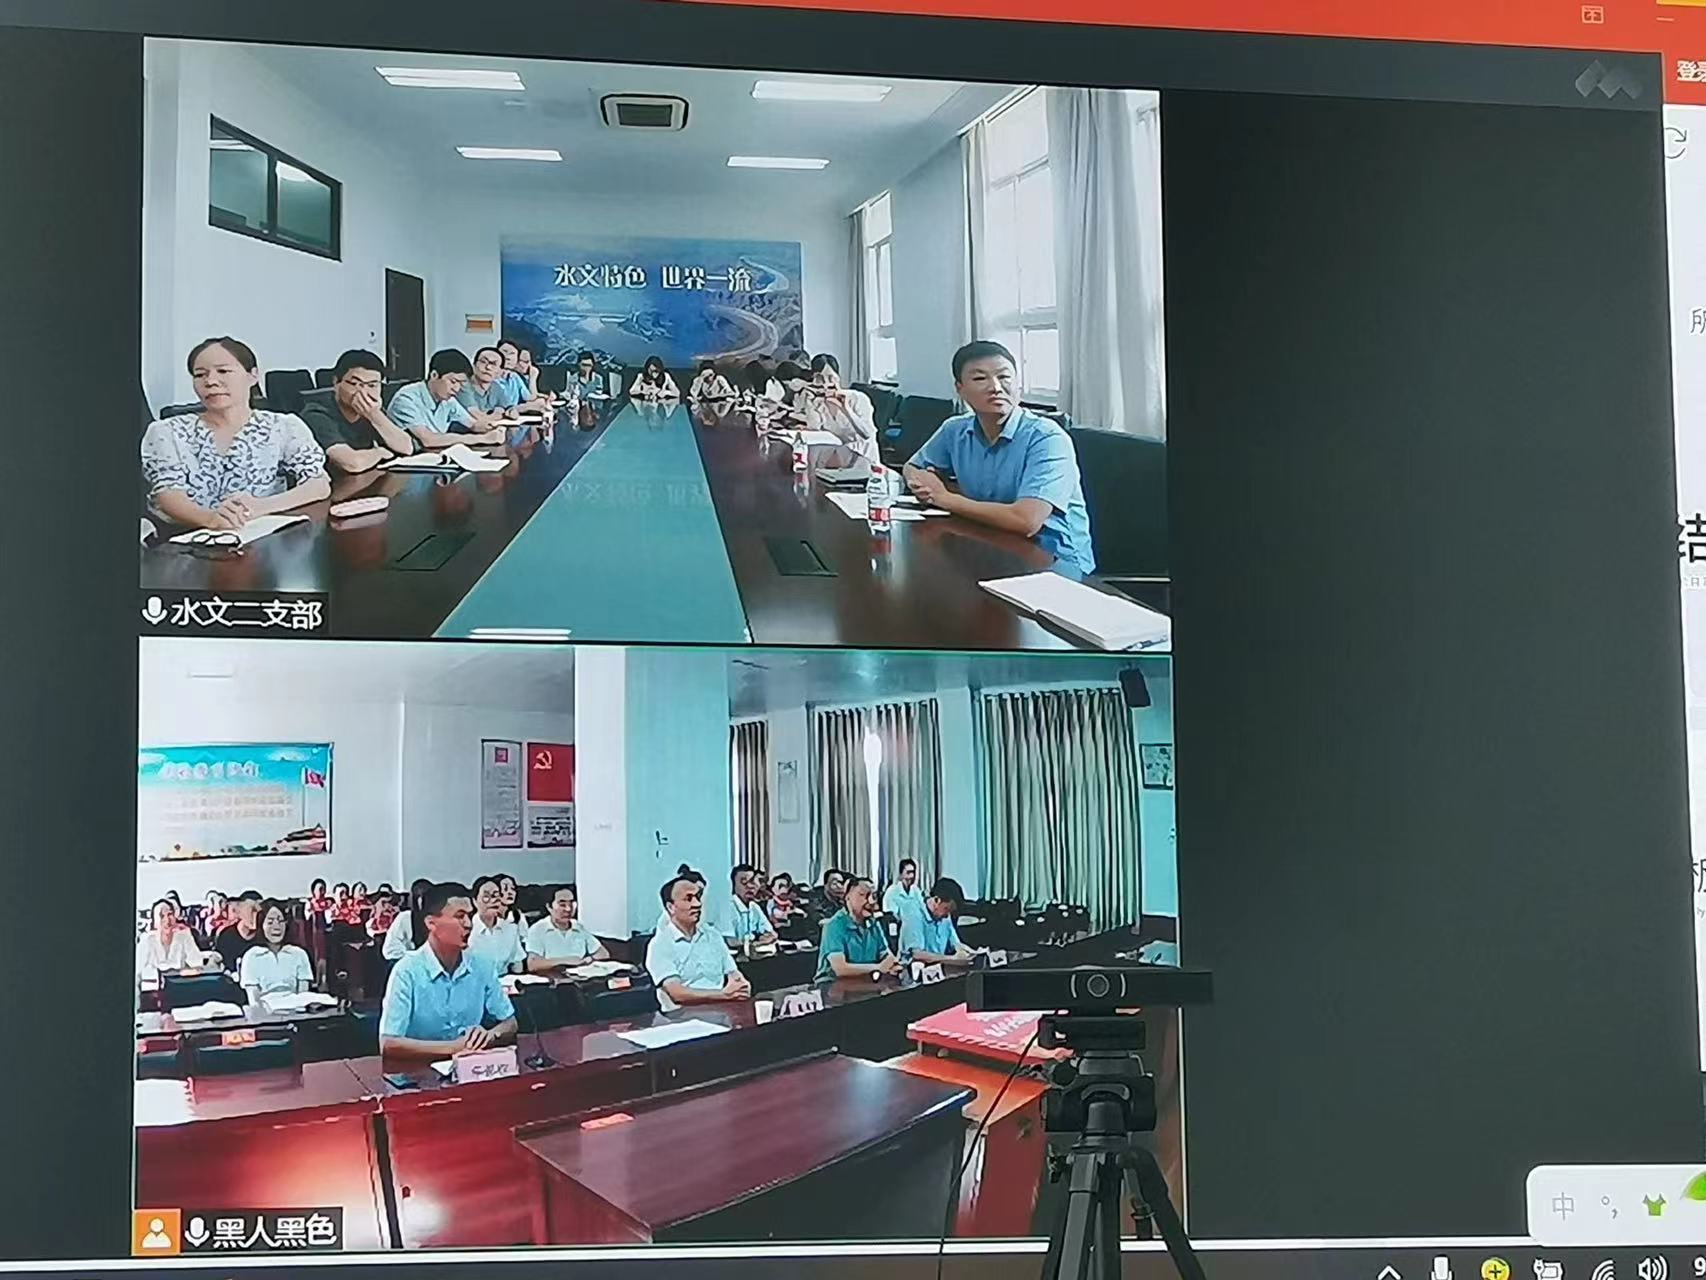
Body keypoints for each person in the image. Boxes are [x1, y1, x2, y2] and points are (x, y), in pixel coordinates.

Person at [903, 340, 1095, 575]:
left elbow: (1026, 521)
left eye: (1004, 377)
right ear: (960, 389)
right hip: (991, 542)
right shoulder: (955, 430)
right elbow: (912, 466)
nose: (995, 387)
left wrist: (943, 497)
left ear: (1018, 385)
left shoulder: (1046, 438)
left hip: (1055, 561)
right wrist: (922, 481)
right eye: (980, 378)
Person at [141, 336, 330, 530]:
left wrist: (260, 507)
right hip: (187, 539)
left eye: (223, 371)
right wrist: (211, 520)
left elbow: (318, 484)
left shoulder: (283, 426)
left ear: (253, 376)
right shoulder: (167, 432)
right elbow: (167, 494)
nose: (210, 381)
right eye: (200, 375)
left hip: (259, 535)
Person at [378, 882, 518, 1060]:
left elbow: (510, 1023)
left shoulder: (482, 965)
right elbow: (388, 1043)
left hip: (471, 1064)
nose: (468, 924)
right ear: (431, 923)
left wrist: (490, 1036)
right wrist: (453, 1048)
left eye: (470, 916)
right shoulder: (406, 971)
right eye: (459, 916)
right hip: (419, 1067)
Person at [299, 349, 416, 473]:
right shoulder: (316, 413)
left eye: (372, 385)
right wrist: (380, 452)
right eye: (355, 384)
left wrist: (375, 415)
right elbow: (351, 463)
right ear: (336, 382)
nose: (363, 392)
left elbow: (406, 448)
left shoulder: (372, 410)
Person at [645, 875, 752, 1011]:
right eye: (688, 899)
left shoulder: (713, 936)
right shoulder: (660, 945)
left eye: (698, 897)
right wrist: (723, 994)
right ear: (671, 907)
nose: (697, 904)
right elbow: (677, 993)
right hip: (680, 1016)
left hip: (721, 1011)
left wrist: (742, 986)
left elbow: (734, 974)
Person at [386, 349, 508, 448]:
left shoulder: (448, 400)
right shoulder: (406, 399)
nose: (457, 388)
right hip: (405, 463)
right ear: (434, 375)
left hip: (435, 457)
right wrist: (482, 439)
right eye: (453, 381)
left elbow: (474, 425)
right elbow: (428, 440)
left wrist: (495, 429)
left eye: (461, 383)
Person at [816, 876, 899, 981]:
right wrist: (878, 968)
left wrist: (891, 965)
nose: (871, 901)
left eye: (873, 896)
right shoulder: (833, 926)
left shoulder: (873, 924)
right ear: (847, 897)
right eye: (863, 895)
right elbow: (840, 969)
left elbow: (888, 957)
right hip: (832, 985)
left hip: (865, 982)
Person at [802, 353, 879, 461]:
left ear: (838, 377)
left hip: (863, 457)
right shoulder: (819, 404)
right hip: (837, 458)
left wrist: (846, 409)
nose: (826, 384)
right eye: (820, 378)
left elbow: (867, 434)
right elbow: (815, 432)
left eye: (831, 378)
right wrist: (809, 403)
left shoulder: (858, 398)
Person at [239, 899, 316, 999]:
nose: (276, 926)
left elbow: (303, 995)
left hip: (295, 1006)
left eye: (280, 921)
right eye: (270, 922)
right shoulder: (251, 956)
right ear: (261, 925)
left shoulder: (299, 954)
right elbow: (254, 999)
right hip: (265, 1008)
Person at [525, 883, 611, 968]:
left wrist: (589, 959)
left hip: (579, 973)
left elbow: (603, 953)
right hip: (552, 974)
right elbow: (532, 964)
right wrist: (567, 961)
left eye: (571, 904)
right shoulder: (538, 929)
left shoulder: (578, 926)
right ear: (549, 907)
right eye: (562, 905)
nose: (568, 909)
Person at [898, 877, 974, 967]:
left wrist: (971, 952)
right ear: (937, 900)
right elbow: (917, 954)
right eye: (946, 909)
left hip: (937, 968)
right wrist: (952, 959)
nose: (947, 915)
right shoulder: (914, 915)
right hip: (915, 970)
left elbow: (956, 944)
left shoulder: (945, 918)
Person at [135, 897, 213, 983]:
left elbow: (197, 962)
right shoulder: (147, 940)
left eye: (170, 914)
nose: (167, 920)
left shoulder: (184, 936)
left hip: (180, 984)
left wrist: (190, 970)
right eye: (161, 916)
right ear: (154, 922)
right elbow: (137, 973)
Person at [468, 875, 528, 975]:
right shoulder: (466, 930)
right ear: (475, 901)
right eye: (486, 896)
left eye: (496, 895)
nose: (493, 900)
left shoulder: (511, 928)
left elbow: (517, 963)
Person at [455, 346, 523, 419]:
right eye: (483, 362)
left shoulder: (496, 387)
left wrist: (510, 412)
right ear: (474, 365)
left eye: (494, 364)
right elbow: (477, 416)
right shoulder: (463, 384)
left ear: (500, 371)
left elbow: (508, 408)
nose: (488, 367)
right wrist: (498, 415)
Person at [722, 863, 778, 949]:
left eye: (752, 881)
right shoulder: (727, 908)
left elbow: (772, 934)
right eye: (744, 882)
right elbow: (731, 942)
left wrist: (757, 942)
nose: (750, 886)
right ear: (734, 885)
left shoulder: (754, 907)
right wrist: (757, 942)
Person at [213, 890, 265, 973]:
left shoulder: (264, 938)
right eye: (252, 910)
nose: (255, 915)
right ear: (239, 910)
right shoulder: (226, 936)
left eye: (259, 912)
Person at [382, 878, 432, 962]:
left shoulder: (440, 918)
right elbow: (389, 949)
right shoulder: (405, 917)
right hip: (409, 962)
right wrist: (413, 956)